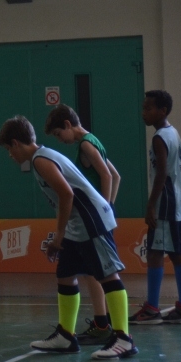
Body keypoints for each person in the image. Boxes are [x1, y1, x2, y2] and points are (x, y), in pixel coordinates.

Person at [0, 116, 136, 360]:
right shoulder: (42, 156)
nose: (10, 155)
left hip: (91, 221)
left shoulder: (41, 160)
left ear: (17, 143)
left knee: (107, 275)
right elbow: (63, 199)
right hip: (77, 225)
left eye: (9, 149)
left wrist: (58, 235)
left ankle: (124, 339)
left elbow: (66, 194)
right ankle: (66, 336)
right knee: (65, 274)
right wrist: (62, 233)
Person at [45, 104, 122, 345]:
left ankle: (105, 325)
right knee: (91, 272)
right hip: (97, 217)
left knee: (98, 273)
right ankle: (102, 322)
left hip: (93, 220)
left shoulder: (86, 146)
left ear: (68, 124)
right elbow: (116, 175)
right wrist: (109, 206)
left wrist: (103, 209)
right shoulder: (93, 140)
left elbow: (106, 176)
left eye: (58, 134)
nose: (60, 140)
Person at [130, 90, 181, 325]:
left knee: (155, 252)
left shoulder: (160, 137)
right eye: (143, 108)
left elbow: (162, 173)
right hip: (180, 201)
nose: (144, 113)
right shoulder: (172, 132)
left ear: (163, 111)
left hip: (167, 201)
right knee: (177, 253)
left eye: (148, 108)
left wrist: (151, 205)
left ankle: (152, 309)